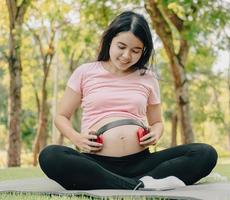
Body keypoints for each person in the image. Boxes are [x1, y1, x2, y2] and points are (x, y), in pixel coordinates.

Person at [39, 11, 218, 191]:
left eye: (135, 50)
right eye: (121, 46)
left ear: (144, 51)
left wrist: (156, 133)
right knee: (50, 155)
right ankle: (138, 185)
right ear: (109, 40)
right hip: (97, 163)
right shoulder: (85, 72)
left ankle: (127, 183)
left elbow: (157, 122)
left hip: (142, 162)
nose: (126, 56)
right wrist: (77, 138)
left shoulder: (147, 77)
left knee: (205, 153)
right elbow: (61, 116)